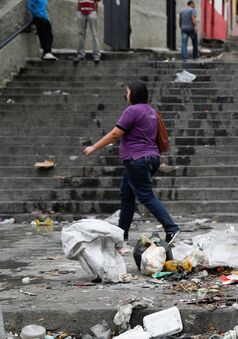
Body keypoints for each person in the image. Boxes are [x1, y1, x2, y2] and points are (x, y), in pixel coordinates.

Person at [83, 80, 181, 244]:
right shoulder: (150, 110)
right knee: (127, 196)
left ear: (133, 93)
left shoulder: (132, 110)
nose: (126, 94)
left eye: (128, 91)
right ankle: (122, 235)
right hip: (151, 158)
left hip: (137, 159)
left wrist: (94, 147)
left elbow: (115, 134)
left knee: (146, 196)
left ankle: (171, 228)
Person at [74, 0, 101, 64]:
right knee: (81, 34)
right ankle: (80, 54)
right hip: (80, 11)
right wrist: (78, 10)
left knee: (94, 34)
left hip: (92, 11)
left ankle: (96, 55)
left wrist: (95, 10)